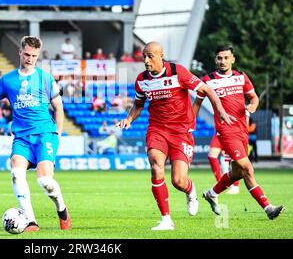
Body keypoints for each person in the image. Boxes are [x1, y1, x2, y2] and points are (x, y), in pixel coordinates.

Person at [117, 41, 234, 231]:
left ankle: (190, 190)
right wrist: (129, 119)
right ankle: (166, 220)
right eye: (144, 56)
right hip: (157, 129)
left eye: (150, 56)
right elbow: (138, 105)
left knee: (178, 181)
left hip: (181, 131)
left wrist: (219, 110)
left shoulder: (178, 72)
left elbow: (207, 90)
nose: (146, 60)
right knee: (156, 166)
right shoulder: (141, 80)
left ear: (161, 56)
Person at [0, 36, 71, 232]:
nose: (30, 59)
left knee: (45, 181)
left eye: (34, 56)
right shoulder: (8, 80)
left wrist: (58, 133)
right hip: (22, 137)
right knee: (16, 173)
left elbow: (58, 107)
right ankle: (31, 222)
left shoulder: (46, 78)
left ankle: (62, 210)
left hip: (45, 134)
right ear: (20, 52)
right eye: (27, 54)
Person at [193, 45, 284, 220]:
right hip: (225, 131)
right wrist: (189, 124)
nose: (222, 61)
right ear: (215, 60)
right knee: (248, 168)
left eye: (226, 58)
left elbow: (254, 98)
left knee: (237, 173)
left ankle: (212, 193)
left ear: (233, 59)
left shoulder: (241, 77)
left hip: (242, 131)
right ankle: (268, 208)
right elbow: (197, 103)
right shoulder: (208, 80)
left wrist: (251, 107)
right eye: (219, 58)